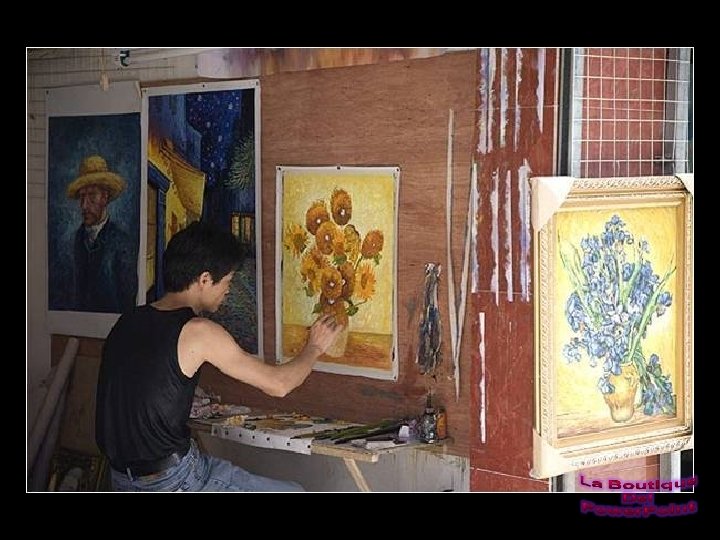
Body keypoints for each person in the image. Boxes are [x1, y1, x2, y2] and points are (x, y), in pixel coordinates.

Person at [95, 221, 343, 492]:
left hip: (121, 479)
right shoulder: (198, 332)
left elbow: (145, 383)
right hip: (173, 481)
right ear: (204, 280)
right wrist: (314, 347)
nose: (228, 290)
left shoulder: (128, 320)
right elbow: (279, 384)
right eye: (228, 281)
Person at [66, 154, 138, 313]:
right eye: (82, 197)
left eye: (92, 196)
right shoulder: (77, 239)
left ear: (105, 197)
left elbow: (128, 302)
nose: (84, 205)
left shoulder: (122, 243)